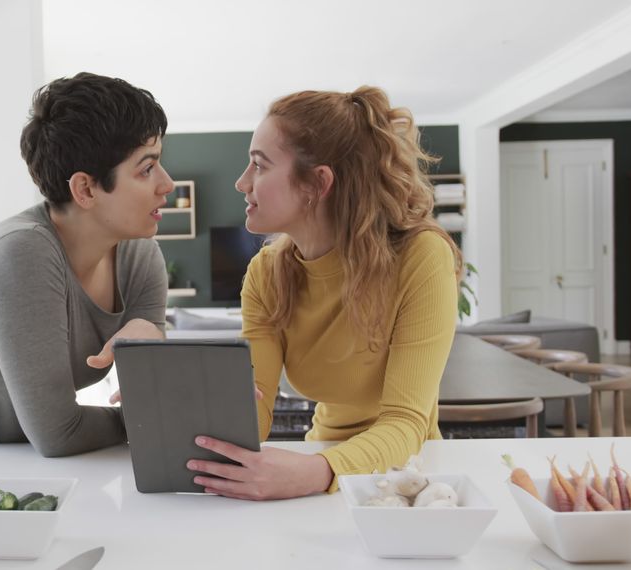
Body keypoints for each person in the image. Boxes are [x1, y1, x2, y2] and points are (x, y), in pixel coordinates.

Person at [188, 86, 461, 499]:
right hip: (319, 460)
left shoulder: (421, 256)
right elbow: (254, 414)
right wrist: (195, 404)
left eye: (259, 166)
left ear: (318, 183)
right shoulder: (266, 273)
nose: (242, 183)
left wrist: (318, 473)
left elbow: (406, 423)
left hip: (407, 478)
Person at [0, 73, 173, 456]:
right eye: (146, 169)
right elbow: (57, 433)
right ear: (85, 189)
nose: (167, 183)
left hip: (14, 463)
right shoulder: (20, 253)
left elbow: (161, 389)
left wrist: (152, 334)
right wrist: (141, 420)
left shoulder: (140, 256)